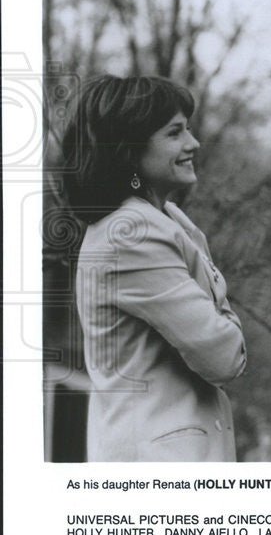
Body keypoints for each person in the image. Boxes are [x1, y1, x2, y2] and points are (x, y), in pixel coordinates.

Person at [61, 75, 246, 461]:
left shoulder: (159, 222)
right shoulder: (133, 235)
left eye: (189, 129)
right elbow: (225, 357)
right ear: (129, 151)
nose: (193, 144)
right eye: (174, 133)